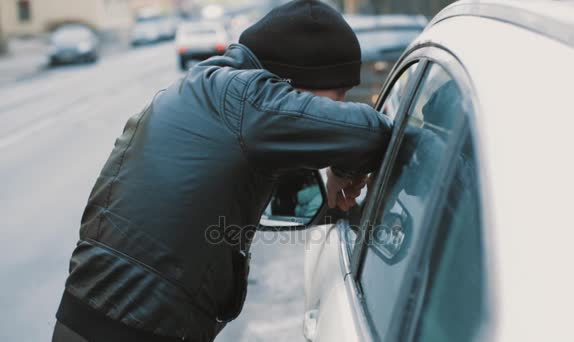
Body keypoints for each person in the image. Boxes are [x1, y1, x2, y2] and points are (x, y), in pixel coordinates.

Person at [52, 1, 393, 341]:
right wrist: (345, 166)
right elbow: (373, 133)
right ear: (297, 81)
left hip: (88, 312)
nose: (341, 106)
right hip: (138, 325)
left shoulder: (208, 86)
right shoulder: (246, 98)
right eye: (340, 92)